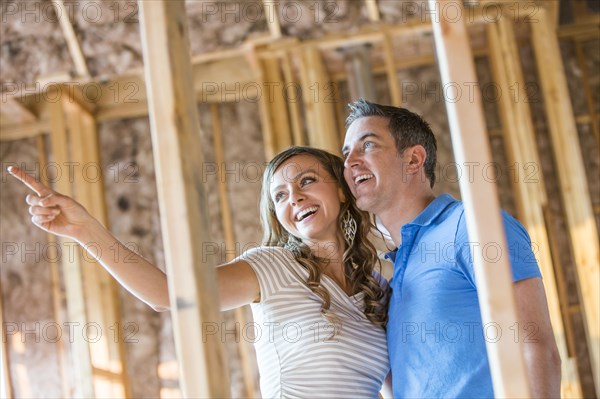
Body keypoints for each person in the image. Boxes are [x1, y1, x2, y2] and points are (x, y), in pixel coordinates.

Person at [8, 146, 391, 398]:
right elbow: (166, 295)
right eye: (280, 196)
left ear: (341, 191)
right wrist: (84, 229)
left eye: (307, 181)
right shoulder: (272, 266)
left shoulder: (375, 285)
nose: (295, 198)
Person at [341, 99, 561, 398]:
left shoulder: (473, 225)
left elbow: (536, 347)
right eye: (346, 153)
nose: (350, 161)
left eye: (367, 145)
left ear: (414, 160)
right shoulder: (395, 270)